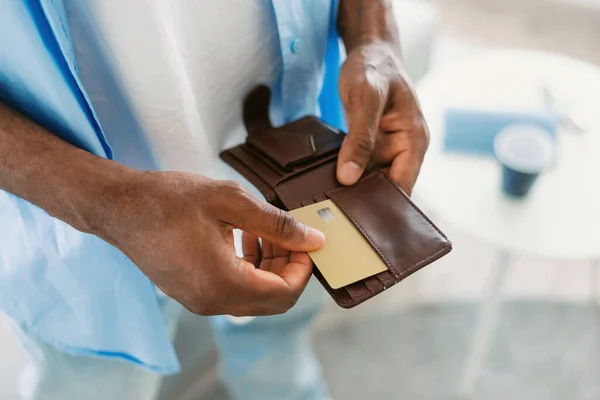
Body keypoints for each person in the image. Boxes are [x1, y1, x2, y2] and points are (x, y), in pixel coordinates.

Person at [0, 0, 429, 399]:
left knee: (279, 351)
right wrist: (112, 202)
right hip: (75, 228)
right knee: (94, 383)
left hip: (307, 157)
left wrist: (374, 35)